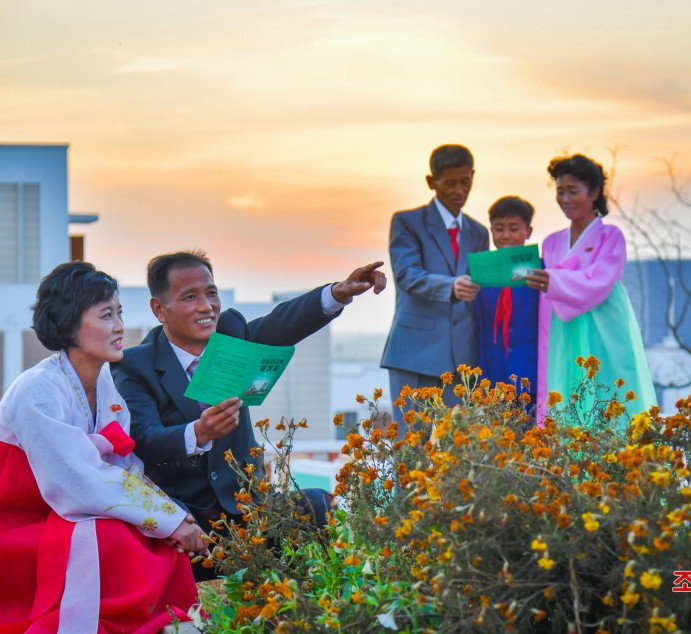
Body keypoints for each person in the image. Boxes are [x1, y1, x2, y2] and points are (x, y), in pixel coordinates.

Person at [0, 262, 204, 633]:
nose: (120, 326)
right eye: (106, 315)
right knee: (115, 536)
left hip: (55, 508)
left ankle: (162, 620)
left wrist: (171, 517)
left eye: (119, 313)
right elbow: (79, 482)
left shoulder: (105, 383)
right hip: (6, 525)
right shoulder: (36, 390)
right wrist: (166, 517)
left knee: (150, 537)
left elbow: (121, 469)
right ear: (70, 325)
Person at [111, 250, 385, 581]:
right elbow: (144, 437)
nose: (206, 306)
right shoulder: (134, 365)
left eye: (211, 293)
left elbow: (281, 325)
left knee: (316, 504)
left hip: (251, 510)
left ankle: (309, 604)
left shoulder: (230, 334)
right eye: (190, 297)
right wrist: (197, 433)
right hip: (188, 520)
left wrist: (337, 293)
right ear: (159, 309)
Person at [527, 154, 657, 422]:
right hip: (563, 332)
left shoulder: (611, 237)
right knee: (564, 393)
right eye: (560, 191)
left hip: (604, 329)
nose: (565, 199)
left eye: (573, 191)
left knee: (609, 392)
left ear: (594, 192)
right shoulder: (551, 243)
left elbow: (599, 280)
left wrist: (555, 281)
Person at [381, 144, 490, 423]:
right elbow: (407, 275)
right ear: (432, 182)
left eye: (465, 182)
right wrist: (451, 287)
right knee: (412, 449)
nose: (459, 190)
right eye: (450, 183)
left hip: (463, 360)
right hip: (415, 354)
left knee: (457, 453)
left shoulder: (479, 233)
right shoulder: (407, 222)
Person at [473, 196, 540, 403]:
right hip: (492, 375)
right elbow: (478, 327)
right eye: (499, 229)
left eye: (514, 228)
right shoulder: (480, 274)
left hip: (532, 375)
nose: (506, 235)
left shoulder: (541, 272)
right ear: (491, 230)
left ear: (528, 231)